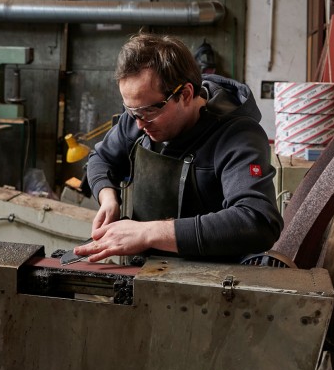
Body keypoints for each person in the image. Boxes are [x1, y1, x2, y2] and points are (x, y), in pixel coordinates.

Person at [73, 33, 283, 263]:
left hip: (212, 282)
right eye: (131, 111)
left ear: (185, 95)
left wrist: (149, 233)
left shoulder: (238, 136)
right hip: (145, 271)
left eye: (149, 112)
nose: (139, 124)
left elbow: (257, 221)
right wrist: (108, 198)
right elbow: (100, 159)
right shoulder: (137, 118)